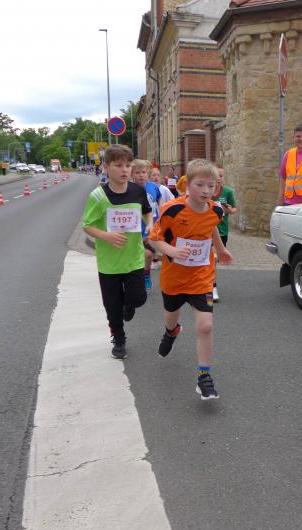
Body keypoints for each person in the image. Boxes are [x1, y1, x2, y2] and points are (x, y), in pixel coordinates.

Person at [149, 159, 233, 401]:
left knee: (206, 325)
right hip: (174, 278)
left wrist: (220, 250)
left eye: (211, 186)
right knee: (171, 317)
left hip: (201, 276)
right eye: (200, 185)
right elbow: (154, 238)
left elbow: (211, 226)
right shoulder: (172, 210)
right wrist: (172, 251)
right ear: (187, 185)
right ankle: (171, 332)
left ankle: (204, 377)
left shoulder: (216, 210)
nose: (206, 191)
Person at [81, 144, 153, 359]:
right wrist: (107, 236)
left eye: (128, 166)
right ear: (106, 167)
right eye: (119, 165)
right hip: (109, 263)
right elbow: (87, 226)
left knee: (138, 298)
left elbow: (147, 212)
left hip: (133, 258)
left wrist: (150, 225)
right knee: (112, 307)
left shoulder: (138, 191)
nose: (125, 170)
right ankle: (119, 339)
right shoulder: (97, 196)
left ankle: (128, 306)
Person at [132, 159, 163, 290]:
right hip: (134, 227)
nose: (141, 175)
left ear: (148, 173)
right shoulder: (129, 188)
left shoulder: (153, 187)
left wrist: (161, 214)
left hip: (150, 227)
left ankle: (146, 274)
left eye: (143, 172)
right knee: (136, 255)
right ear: (132, 174)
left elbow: (159, 200)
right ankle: (135, 276)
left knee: (149, 254)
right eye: (137, 172)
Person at [211, 167, 237, 302]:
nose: (218, 178)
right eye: (216, 175)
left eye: (221, 175)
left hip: (221, 231)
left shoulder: (228, 192)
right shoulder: (206, 191)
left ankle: (207, 284)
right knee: (212, 259)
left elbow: (233, 209)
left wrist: (228, 209)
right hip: (206, 231)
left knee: (214, 260)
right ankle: (212, 288)